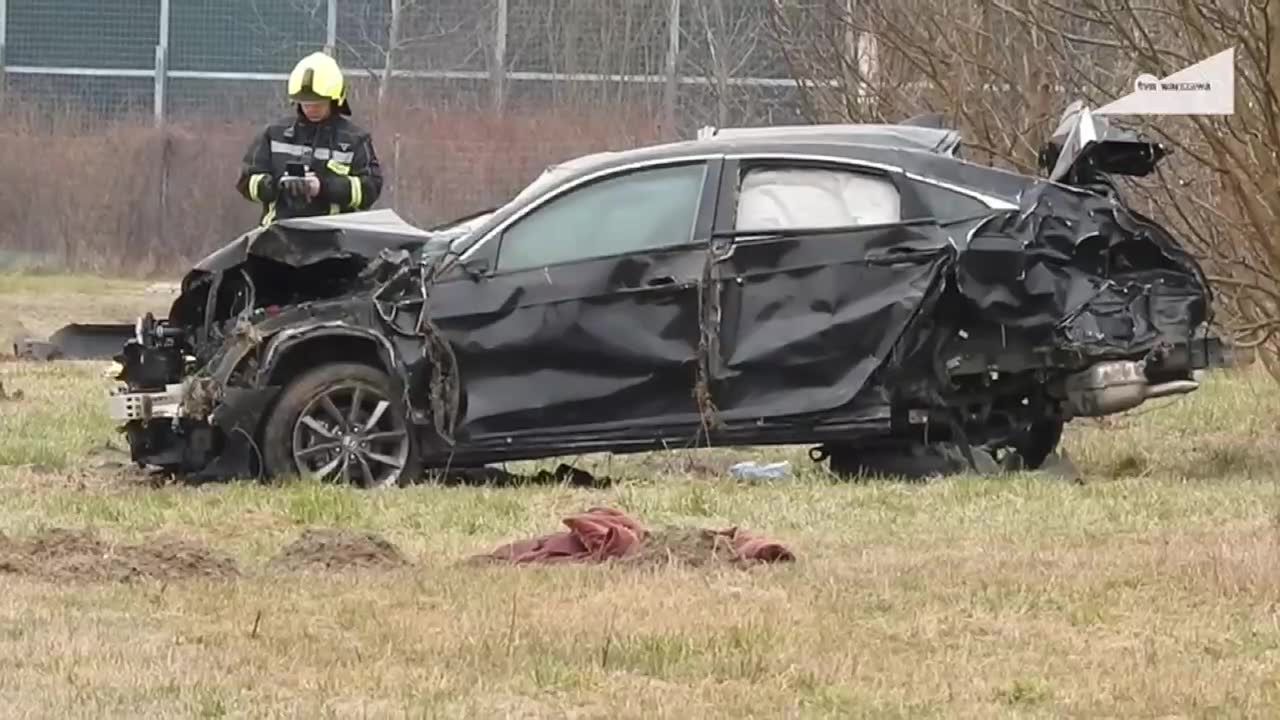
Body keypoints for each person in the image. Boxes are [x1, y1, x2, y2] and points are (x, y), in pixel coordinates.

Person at [236, 52, 383, 225]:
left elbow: (370, 189)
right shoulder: (273, 134)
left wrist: (322, 187)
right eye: (306, 104)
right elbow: (246, 182)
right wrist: (277, 185)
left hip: (333, 242)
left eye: (318, 104)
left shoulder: (355, 140)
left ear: (335, 100)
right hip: (277, 240)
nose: (311, 109)